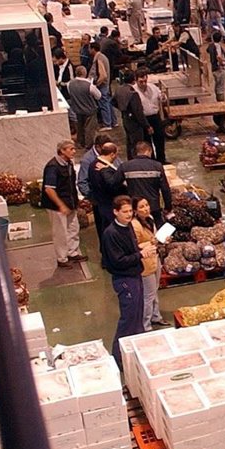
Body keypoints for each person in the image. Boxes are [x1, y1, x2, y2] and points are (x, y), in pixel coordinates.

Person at [101, 195, 151, 364]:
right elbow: (118, 261)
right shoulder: (111, 234)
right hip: (124, 279)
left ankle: (137, 349)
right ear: (115, 212)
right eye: (125, 212)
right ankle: (118, 357)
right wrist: (140, 255)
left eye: (130, 211)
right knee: (128, 318)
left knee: (138, 315)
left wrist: (143, 248)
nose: (129, 214)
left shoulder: (128, 226)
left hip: (135, 275)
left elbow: (130, 249)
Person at [41, 140, 86, 269]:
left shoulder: (69, 164)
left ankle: (72, 252)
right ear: (62, 151)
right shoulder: (53, 167)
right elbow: (49, 189)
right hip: (57, 207)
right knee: (60, 232)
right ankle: (62, 258)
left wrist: (75, 201)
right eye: (71, 149)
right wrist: (60, 205)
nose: (74, 151)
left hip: (70, 203)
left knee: (73, 228)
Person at [131, 196, 166, 331]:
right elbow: (135, 245)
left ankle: (155, 316)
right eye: (141, 207)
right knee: (149, 294)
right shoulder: (135, 225)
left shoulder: (149, 219)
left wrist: (162, 239)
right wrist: (152, 242)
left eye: (146, 205)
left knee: (154, 290)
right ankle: (145, 325)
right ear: (135, 210)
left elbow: (155, 237)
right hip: (144, 263)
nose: (146, 209)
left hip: (154, 258)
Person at [120, 141, 171, 217]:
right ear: (149, 151)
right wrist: (168, 207)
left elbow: (114, 183)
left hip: (135, 207)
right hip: (153, 207)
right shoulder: (157, 166)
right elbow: (165, 189)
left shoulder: (125, 166)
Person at [87, 143, 125, 244]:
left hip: (101, 204)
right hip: (108, 206)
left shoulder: (93, 165)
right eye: (116, 154)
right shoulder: (102, 168)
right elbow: (112, 186)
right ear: (112, 154)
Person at [115, 71, 150, 160]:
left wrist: (122, 109)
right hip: (134, 122)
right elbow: (138, 112)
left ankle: (130, 161)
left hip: (125, 119)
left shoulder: (119, 89)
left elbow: (112, 101)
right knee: (137, 145)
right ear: (134, 80)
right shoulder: (132, 93)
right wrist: (146, 125)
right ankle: (137, 163)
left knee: (129, 143)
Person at [133, 70, 166, 163]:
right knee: (147, 142)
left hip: (155, 117)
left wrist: (163, 97)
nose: (143, 84)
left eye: (145, 81)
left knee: (159, 139)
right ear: (136, 80)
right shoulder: (133, 91)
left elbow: (161, 97)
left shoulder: (153, 87)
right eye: (141, 82)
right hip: (143, 119)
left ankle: (161, 160)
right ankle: (150, 161)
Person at [65, 65, 101, 148]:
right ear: (85, 73)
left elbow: (71, 94)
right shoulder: (89, 85)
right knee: (89, 129)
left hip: (77, 109)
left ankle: (80, 143)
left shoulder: (70, 84)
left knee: (80, 127)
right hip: (89, 109)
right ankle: (89, 145)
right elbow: (99, 96)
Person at [88, 41, 115, 127]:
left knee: (104, 104)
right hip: (105, 85)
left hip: (102, 86)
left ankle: (107, 124)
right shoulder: (102, 57)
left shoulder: (99, 58)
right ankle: (113, 121)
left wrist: (96, 85)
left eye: (89, 48)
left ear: (93, 49)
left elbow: (103, 75)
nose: (88, 50)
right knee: (107, 103)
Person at [207, 31, 225, 102]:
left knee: (217, 86)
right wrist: (223, 65)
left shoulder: (211, 46)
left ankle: (218, 102)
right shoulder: (218, 46)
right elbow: (219, 57)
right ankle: (221, 104)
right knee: (220, 88)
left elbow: (208, 50)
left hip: (213, 68)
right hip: (219, 69)